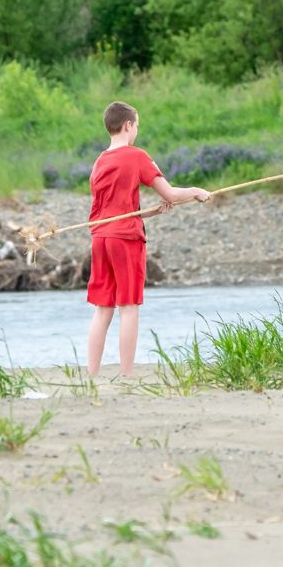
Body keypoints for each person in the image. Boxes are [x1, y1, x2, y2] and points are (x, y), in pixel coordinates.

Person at [86, 101, 210, 378]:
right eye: (137, 126)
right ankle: (127, 376)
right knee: (128, 307)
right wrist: (197, 191)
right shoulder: (136, 155)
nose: (136, 131)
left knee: (103, 308)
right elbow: (171, 194)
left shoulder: (99, 162)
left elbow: (110, 210)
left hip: (100, 237)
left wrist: (150, 212)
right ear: (128, 125)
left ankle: (91, 376)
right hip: (125, 239)